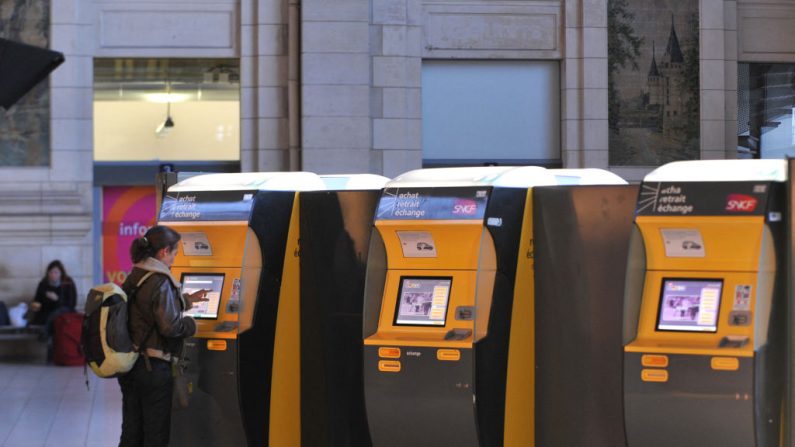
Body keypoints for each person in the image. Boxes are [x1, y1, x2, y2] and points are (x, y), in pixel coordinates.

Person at [119, 225, 208, 447]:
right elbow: (170, 327)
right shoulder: (160, 280)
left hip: (131, 365)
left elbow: (144, 310)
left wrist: (187, 300)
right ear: (163, 252)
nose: (174, 259)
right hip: (154, 369)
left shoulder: (135, 275)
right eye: (175, 253)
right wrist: (191, 324)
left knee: (132, 431)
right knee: (155, 433)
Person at [28, 260, 77, 330]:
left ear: (61, 273)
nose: (53, 275)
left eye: (56, 272)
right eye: (51, 272)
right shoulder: (43, 284)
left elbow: (71, 304)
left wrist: (57, 299)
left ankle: (45, 333)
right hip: (47, 312)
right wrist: (32, 310)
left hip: (63, 312)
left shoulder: (68, 283)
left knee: (56, 315)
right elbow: (37, 301)